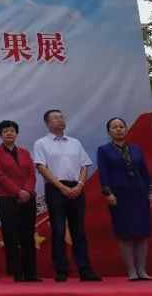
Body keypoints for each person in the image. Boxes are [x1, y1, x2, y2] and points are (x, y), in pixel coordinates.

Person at [33, 109, 103, 282]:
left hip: (76, 188)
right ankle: (61, 270)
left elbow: (85, 165)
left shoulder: (75, 143)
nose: (60, 120)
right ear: (47, 123)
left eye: (62, 117)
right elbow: (42, 167)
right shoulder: (41, 143)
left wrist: (80, 185)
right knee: (58, 229)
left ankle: (85, 270)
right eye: (56, 118)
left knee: (78, 230)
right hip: (55, 188)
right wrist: (61, 187)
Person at [97, 117, 152, 281]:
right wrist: (108, 193)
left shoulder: (136, 149)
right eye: (114, 127)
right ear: (109, 132)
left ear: (126, 129)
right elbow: (103, 173)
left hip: (139, 193)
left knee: (141, 233)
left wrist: (151, 191)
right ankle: (131, 271)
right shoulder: (104, 150)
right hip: (119, 195)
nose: (118, 129)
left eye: (121, 126)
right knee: (124, 233)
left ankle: (142, 270)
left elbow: (144, 172)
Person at [0, 120, 41, 282]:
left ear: (17, 133)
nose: (9, 133)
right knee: (11, 236)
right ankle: (17, 272)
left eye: (12, 130)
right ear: (1, 135)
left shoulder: (25, 152)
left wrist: (27, 191)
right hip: (7, 199)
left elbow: (31, 174)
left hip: (28, 198)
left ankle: (31, 273)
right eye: (5, 131)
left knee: (28, 235)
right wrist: (18, 191)